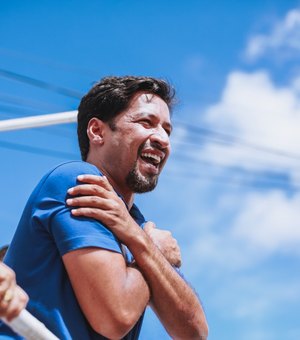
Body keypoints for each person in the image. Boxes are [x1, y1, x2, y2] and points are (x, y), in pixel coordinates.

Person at [1, 76, 208, 339]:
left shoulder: (138, 228)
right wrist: (154, 251)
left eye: (167, 130)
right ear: (97, 131)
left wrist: (142, 244)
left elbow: (195, 332)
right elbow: (115, 317)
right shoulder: (78, 180)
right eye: (147, 122)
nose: (163, 139)